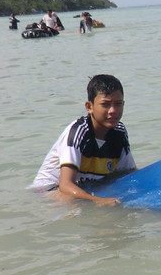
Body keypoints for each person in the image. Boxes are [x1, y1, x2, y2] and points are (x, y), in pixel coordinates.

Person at [30, 74, 135, 206]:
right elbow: (65, 184)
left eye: (118, 104)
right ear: (89, 107)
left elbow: (129, 173)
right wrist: (99, 200)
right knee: (77, 202)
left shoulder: (119, 132)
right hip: (50, 190)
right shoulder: (78, 132)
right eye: (105, 104)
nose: (113, 110)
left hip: (88, 186)